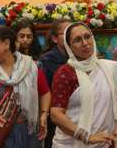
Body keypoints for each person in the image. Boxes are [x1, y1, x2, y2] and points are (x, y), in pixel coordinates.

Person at [50, 22, 117, 148]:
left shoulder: (110, 68)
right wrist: (87, 137)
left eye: (87, 37)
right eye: (77, 40)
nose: (85, 43)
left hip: (106, 142)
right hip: (71, 144)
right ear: (69, 47)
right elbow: (56, 114)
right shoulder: (65, 73)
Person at [0, 26, 50, 148]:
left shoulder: (31, 67)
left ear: (6, 43)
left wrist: (44, 114)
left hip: (29, 132)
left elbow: (44, 93)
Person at [13, 19, 51, 145]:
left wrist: (44, 114)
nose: (25, 40)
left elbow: (43, 90)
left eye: (29, 36)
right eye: (21, 36)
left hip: (33, 111)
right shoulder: (9, 58)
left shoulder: (37, 58)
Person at [39, 19, 72, 148]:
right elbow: (44, 93)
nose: (71, 37)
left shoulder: (83, 57)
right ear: (54, 38)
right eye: (66, 33)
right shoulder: (47, 60)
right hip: (56, 118)